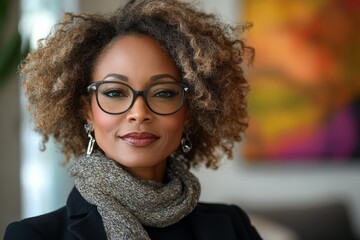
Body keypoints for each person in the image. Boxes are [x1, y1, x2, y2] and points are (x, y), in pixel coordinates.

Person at [4, 0, 260, 239]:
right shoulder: (33, 235)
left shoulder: (233, 227)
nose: (139, 113)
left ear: (190, 111)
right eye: (114, 92)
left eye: (163, 93)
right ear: (88, 111)